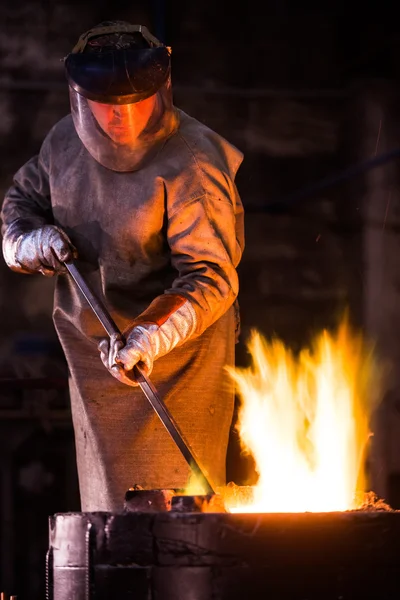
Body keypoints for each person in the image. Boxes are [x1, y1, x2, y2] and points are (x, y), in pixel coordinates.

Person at [1, 21, 245, 511]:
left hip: (179, 361)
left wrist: (150, 334)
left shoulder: (193, 164)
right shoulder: (64, 144)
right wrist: (27, 242)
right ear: (80, 97)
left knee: (178, 509)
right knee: (108, 507)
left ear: (161, 91)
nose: (122, 118)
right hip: (94, 348)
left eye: (136, 102)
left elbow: (211, 275)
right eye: (107, 105)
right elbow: (20, 202)